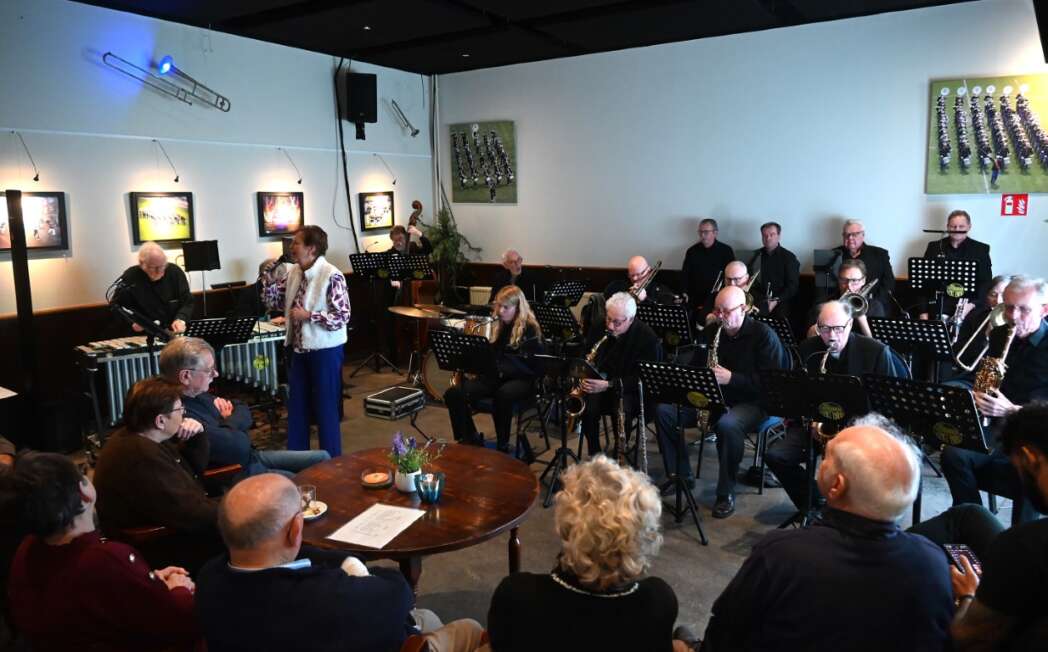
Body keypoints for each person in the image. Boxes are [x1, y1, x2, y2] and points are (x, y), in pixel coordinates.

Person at [701, 416, 954, 651]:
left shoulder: (779, 555)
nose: (822, 459)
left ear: (836, 486)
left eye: (827, 457)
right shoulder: (933, 563)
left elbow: (723, 639)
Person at [195, 473, 484, 652]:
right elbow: (399, 593)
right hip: (387, 635)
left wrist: (346, 560)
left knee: (427, 617)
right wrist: (355, 568)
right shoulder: (332, 599)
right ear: (296, 529)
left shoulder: (208, 580)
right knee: (468, 627)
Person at [487, 456, 691, 652]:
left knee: (471, 629)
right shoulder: (658, 602)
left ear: (566, 524)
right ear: (644, 535)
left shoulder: (516, 596)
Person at [7, 451, 201, 651]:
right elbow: (177, 624)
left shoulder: (25, 551)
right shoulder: (105, 559)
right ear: (84, 493)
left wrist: (148, 582)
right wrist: (179, 589)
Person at [654, 286, 788, 517]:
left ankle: (726, 492)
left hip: (754, 402)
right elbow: (696, 367)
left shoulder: (764, 335)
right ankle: (680, 475)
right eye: (717, 311)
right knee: (665, 411)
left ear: (743, 309)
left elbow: (772, 383)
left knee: (727, 424)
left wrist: (732, 378)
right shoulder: (712, 332)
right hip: (715, 398)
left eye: (726, 311)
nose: (720, 316)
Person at [766, 301, 902, 514]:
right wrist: (809, 419)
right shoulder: (807, 349)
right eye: (825, 328)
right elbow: (798, 394)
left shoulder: (875, 351)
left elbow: (888, 404)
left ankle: (852, 514)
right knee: (777, 456)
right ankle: (815, 504)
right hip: (818, 426)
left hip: (860, 432)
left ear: (850, 325)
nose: (831, 336)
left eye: (838, 328)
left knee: (850, 468)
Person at [940, 275, 1048, 524]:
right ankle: (974, 522)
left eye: (1024, 309)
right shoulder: (1000, 334)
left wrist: (1013, 410)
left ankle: (1021, 540)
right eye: (1008, 307)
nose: (1014, 316)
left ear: (1044, 310)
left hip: (1037, 433)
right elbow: (983, 377)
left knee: (1027, 469)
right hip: (997, 427)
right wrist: (971, 393)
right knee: (953, 454)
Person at [93, 377, 223, 568]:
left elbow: (190, 474)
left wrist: (197, 436)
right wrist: (237, 506)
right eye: (180, 409)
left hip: (176, 524)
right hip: (162, 547)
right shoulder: (140, 455)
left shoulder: (145, 437)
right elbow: (191, 513)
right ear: (160, 420)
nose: (184, 414)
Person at [950, 403, 1048, 650]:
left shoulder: (1021, 546)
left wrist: (967, 594)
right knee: (968, 514)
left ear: (1029, 458)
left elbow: (965, 637)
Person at [159, 336, 330, 476]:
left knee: (323, 457)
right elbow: (239, 445)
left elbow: (241, 406)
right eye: (209, 370)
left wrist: (227, 425)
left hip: (253, 457)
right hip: (239, 473)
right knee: (298, 482)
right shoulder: (180, 416)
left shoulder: (198, 393)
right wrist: (231, 423)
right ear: (186, 376)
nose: (216, 374)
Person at [262, 225, 350, 457]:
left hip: (325, 352)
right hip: (298, 350)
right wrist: (268, 281)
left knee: (325, 409)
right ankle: (297, 460)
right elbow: (274, 302)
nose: (291, 247)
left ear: (311, 248)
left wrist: (309, 316)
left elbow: (342, 317)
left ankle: (331, 461)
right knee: (297, 408)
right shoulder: (294, 272)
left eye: (296, 243)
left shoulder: (332, 275)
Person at [443, 285, 544, 455]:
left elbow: (536, 367)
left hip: (523, 380)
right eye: (499, 306)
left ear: (518, 308)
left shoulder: (531, 329)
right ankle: (469, 437)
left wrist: (501, 366)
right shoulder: (501, 325)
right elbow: (494, 356)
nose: (500, 311)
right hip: (498, 376)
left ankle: (502, 445)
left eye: (506, 307)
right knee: (454, 393)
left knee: (503, 395)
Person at [578, 292, 660, 458]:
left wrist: (610, 385)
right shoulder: (600, 326)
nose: (610, 326)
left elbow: (644, 379)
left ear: (631, 319)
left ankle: (619, 454)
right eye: (608, 319)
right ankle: (595, 453)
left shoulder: (647, 337)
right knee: (587, 405)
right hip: (601, 384)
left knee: (622, 409)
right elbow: (585, 354)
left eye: (617, 322)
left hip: (630, 390)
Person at [919, 210, 993, 322]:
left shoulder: (981, 249)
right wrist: (923, 312)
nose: (957, 229)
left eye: (961, 226)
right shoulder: (934, 247)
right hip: (940, 305)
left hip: (968, 306)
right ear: (947, 226)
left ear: (969, 227)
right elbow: (924, 282)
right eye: (953, 226)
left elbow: (986, 282)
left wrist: (971, 305)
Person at [115, 241, 194, 334]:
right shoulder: (130, 276)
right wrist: (132, 322)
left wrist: (181, 319)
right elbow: (117, 306)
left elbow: (187, 302)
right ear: (142, 264)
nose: (160, 271)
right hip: (144, 334)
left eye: (162, 266)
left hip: (173, 332)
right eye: (154, 267)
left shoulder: (175, 272)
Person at [807, 259, 885, 337]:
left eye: (854, 280)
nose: (849, 286)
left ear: (863, 281)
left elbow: (877, 342)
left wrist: (861, 317)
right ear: (838, 280)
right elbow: (810, 337)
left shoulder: (875, 306)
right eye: (844, 280)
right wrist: (832, 314)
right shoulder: (825, 303)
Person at [681, 218, 735, 320]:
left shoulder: (726, 251)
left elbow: (731, 275)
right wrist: (684, 292)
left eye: (706, 232)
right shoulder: (692, 251)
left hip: (718, 298)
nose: (702, 235)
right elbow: (685, 274)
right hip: (695, 297)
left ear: (715, 233)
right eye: (700, 232)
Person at [831, 219, 894, 306]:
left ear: (863, 235)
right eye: (846, 235)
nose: (850, 238)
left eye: (854, 234)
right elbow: (822, 290)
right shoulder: (831, 255)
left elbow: (889, 283)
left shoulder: (880, 254)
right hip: (839, 306)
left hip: (873, 305)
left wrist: (873, 304)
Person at [746, 222, 800, 320]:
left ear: (779, 236)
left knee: (782, 314)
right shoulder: (755, 256)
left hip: (781, 300)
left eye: (772, 234)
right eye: (765, 235)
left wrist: (776, 300)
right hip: (759, 299)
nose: (768, 238)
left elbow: (792, 286)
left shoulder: (789, 258)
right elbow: (750, 282)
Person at [604, 255, 678, 304]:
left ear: (648, 270)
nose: (635, 278)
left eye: (639, 274)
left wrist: (645, 299)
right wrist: (626, 297)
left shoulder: (661, 291)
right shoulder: (619, 285)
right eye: (632, 275)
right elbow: (607, 294)